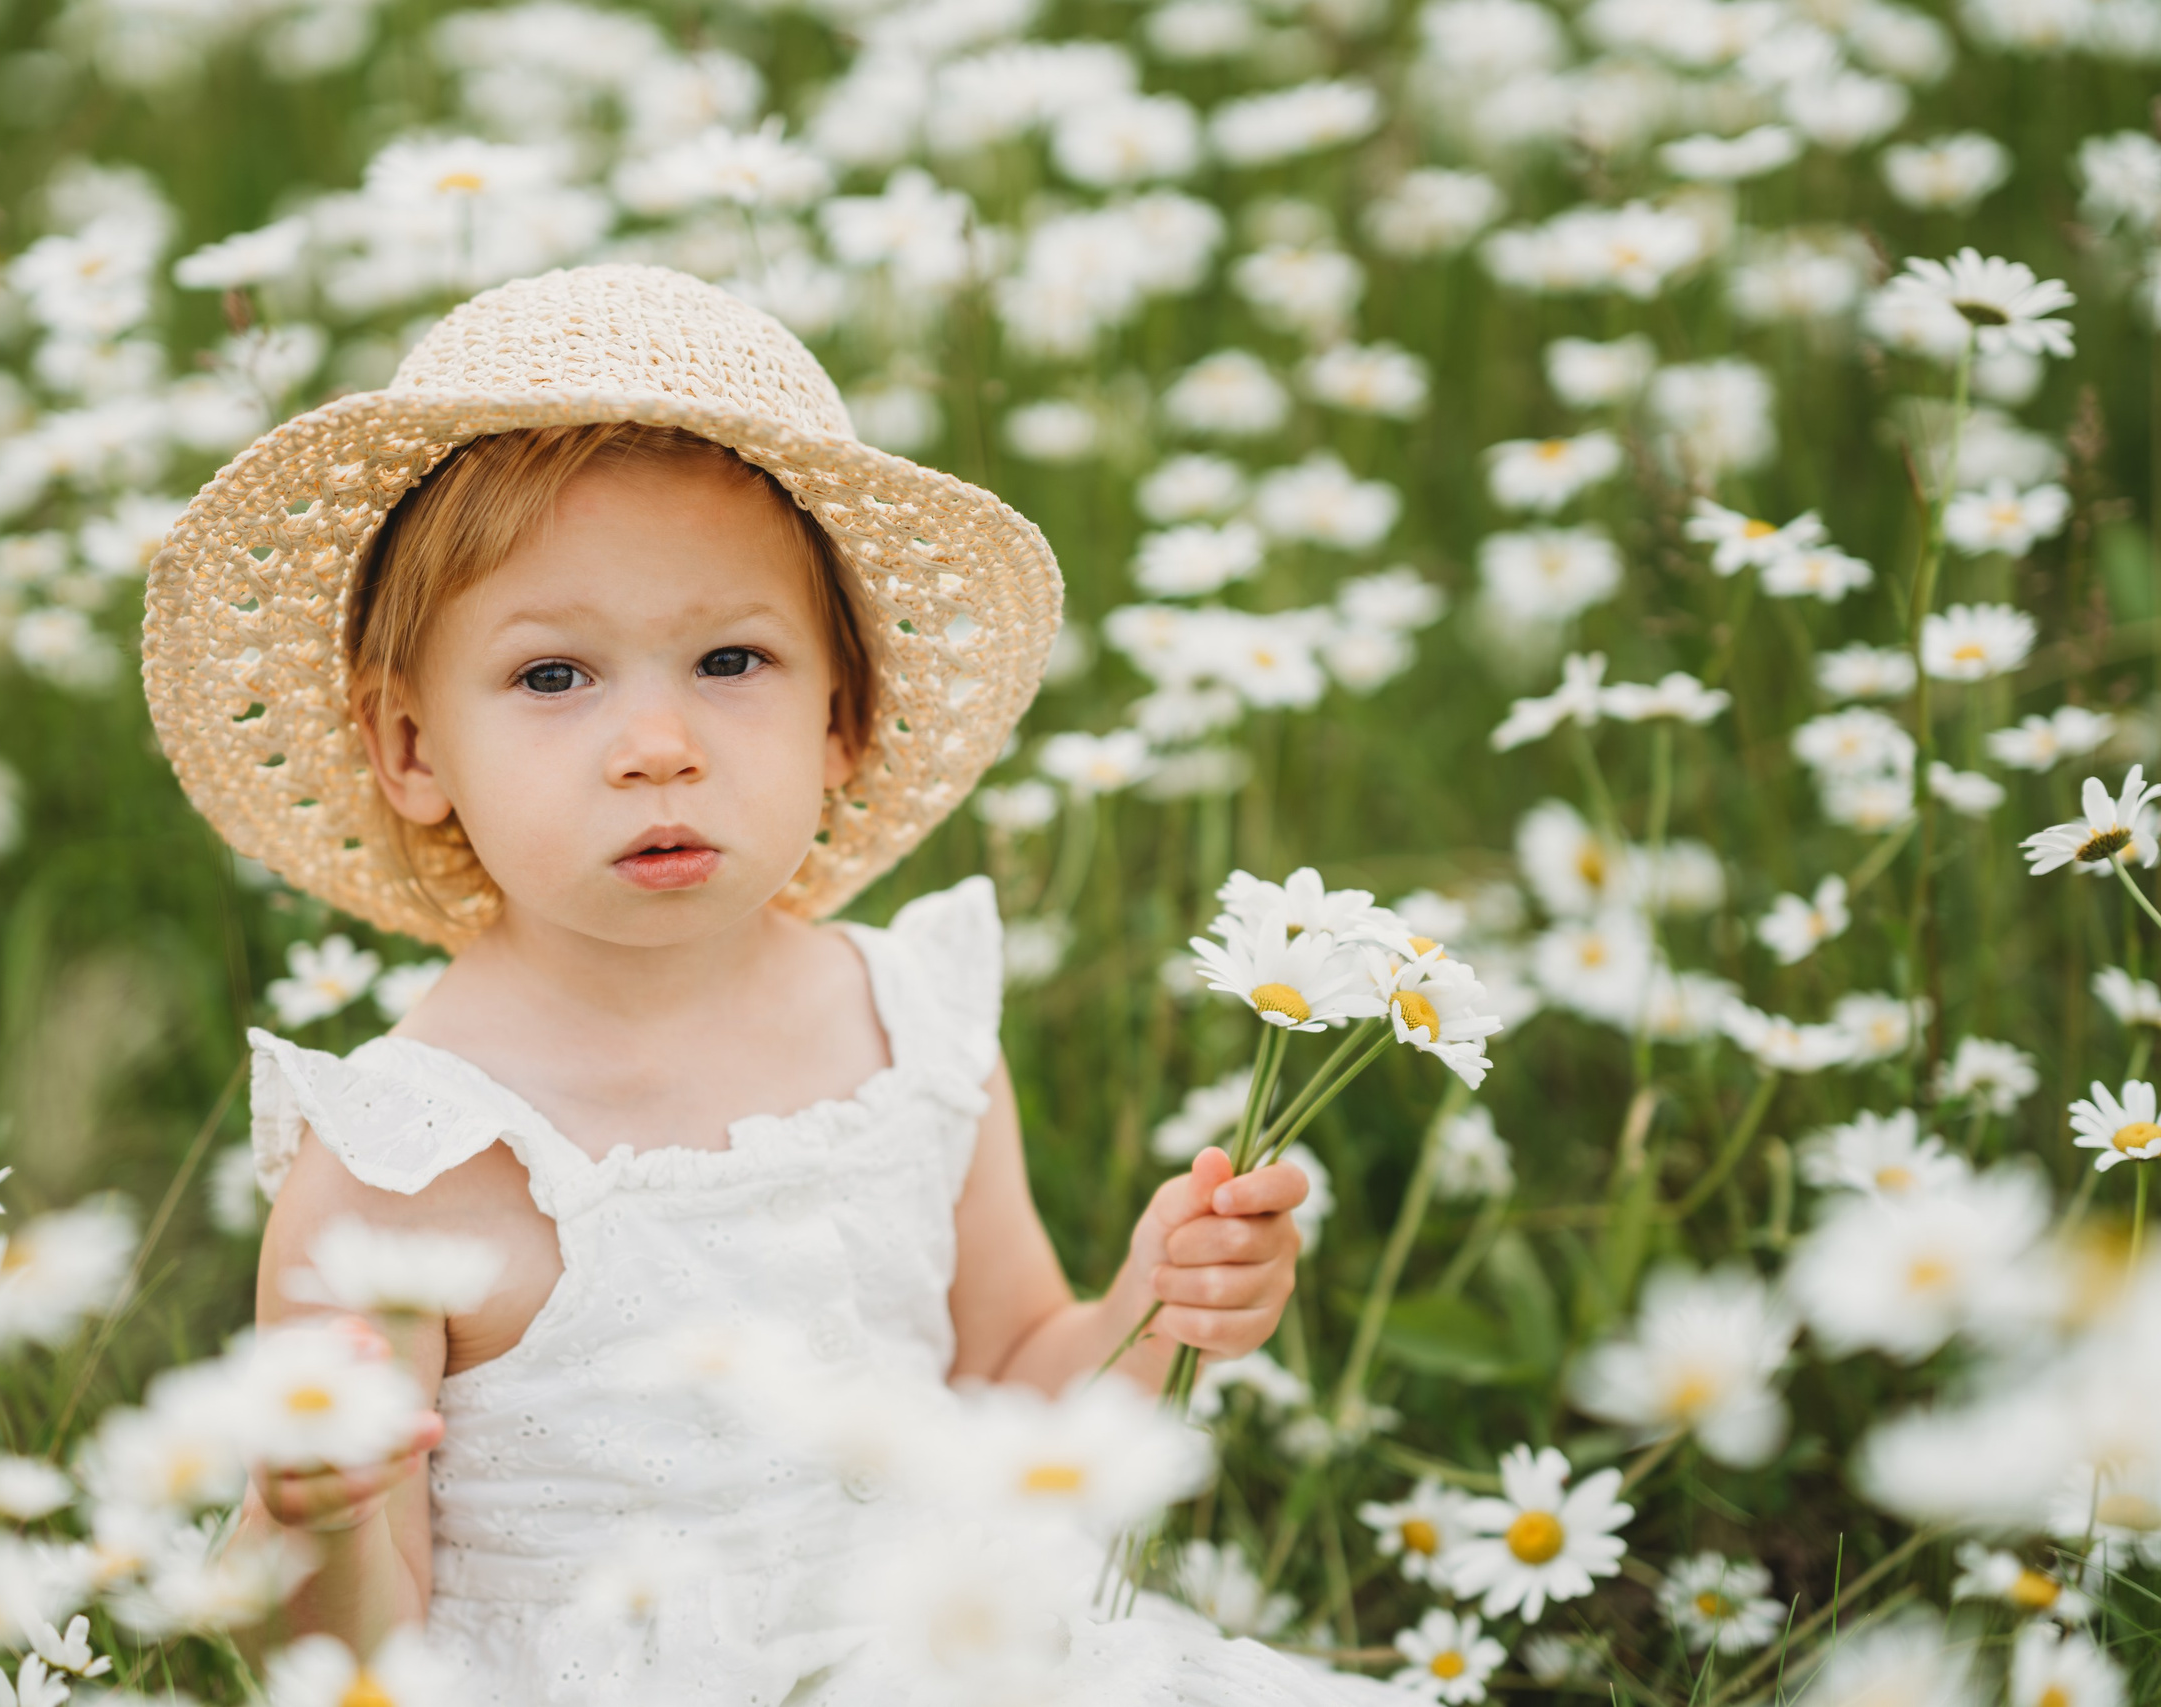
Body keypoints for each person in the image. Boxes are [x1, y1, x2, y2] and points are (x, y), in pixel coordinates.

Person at [142, 263, 1412, 1704]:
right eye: (555, 677)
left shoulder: (904, 1026)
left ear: (842, 720)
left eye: (730, 659)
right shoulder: (398, 1161)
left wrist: (1148, 1305)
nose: (659, 744)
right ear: (413, 750)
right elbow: (355, 1668)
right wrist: (312, 1517)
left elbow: (1005, 1400)